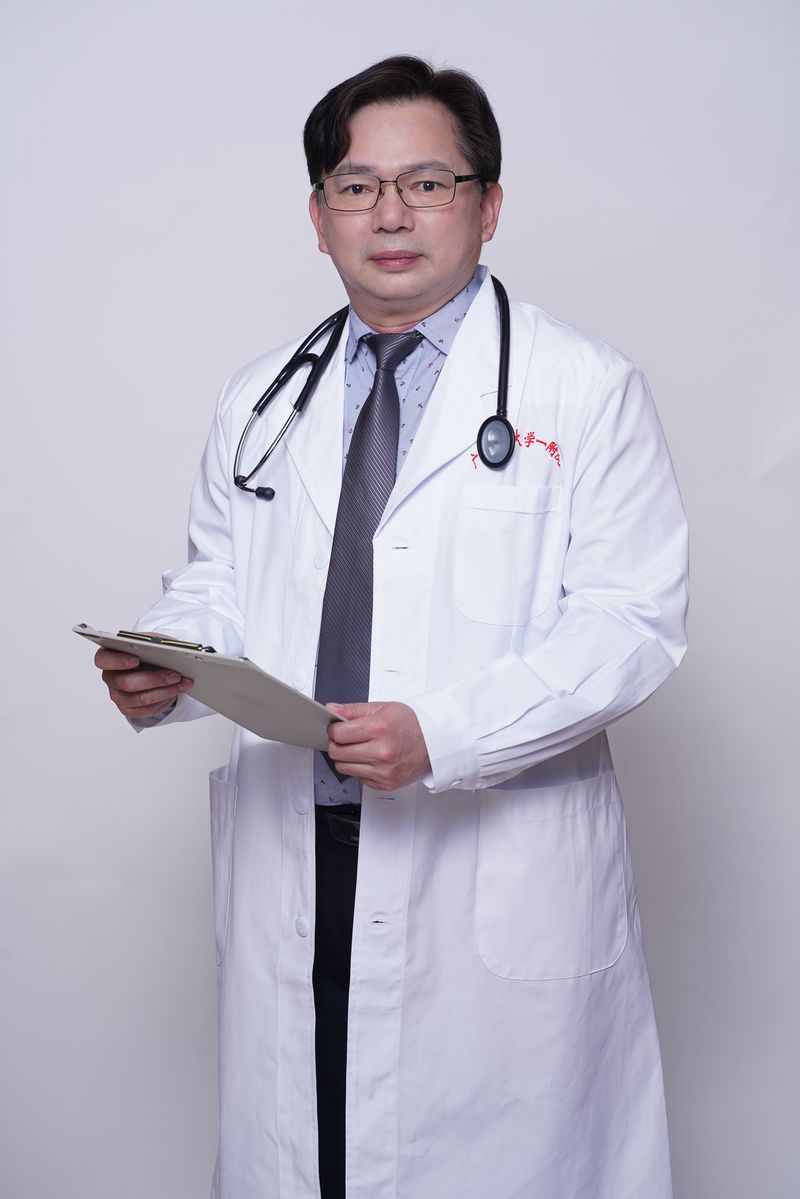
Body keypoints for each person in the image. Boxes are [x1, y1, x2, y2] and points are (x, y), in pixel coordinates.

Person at [94, 55, 688, 1199]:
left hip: (482, 859)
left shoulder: (583, 388)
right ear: (318, 216)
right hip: (299, 844)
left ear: (487, 204)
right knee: (311, 1147)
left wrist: (444, 733)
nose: (391, 214)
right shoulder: (263, 396)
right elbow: (219, 574)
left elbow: (630, 623)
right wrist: (168, 657)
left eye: (427, 182)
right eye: (357, 187)